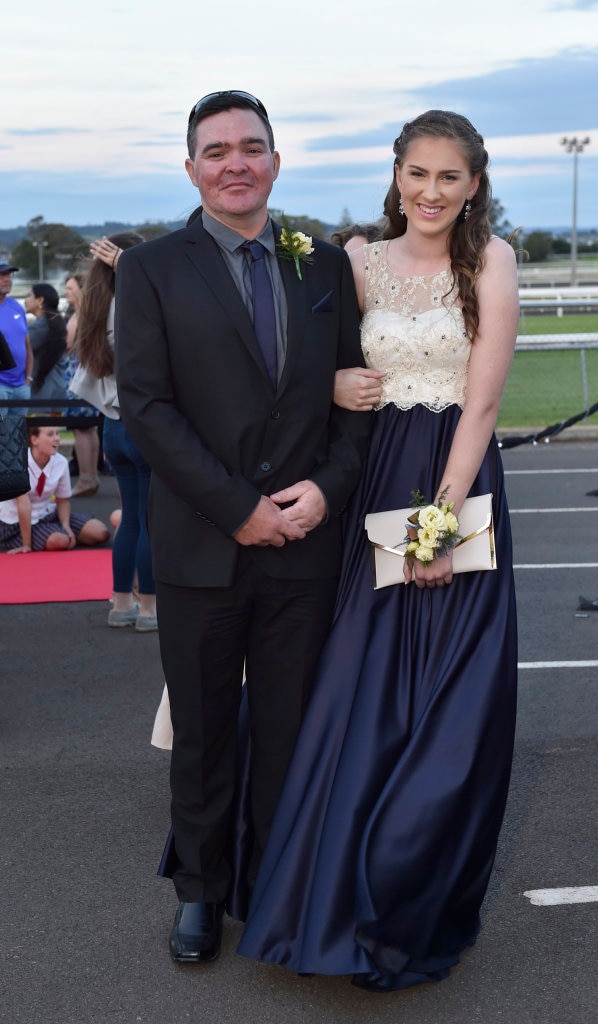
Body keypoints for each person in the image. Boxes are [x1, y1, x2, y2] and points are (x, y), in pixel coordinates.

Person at [238, 109, 519, 992]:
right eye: (416, 173)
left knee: (448, 704)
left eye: (448, 176)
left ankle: (409, 894)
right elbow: (300, 370)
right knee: (355, 686)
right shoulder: (355, 260)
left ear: (473, 183)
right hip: (366, 480)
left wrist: (440, 522)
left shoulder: (492, 261)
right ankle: (324, 897)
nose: (430, 192)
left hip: (449, 485)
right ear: (394, 175)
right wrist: (330, 380)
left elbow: (479, 407)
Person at [114, 89, 372, 965]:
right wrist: (239, 508)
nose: (235, 162)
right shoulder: (150, 268)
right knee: (202, 730)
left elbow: (353, 401)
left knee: (291, 730)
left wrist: (326, 494)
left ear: (275, 159)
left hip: (306, 545)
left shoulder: (324, 267)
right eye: (217, 150)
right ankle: (200, 890)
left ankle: (279, 883)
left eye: (251, 147)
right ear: (191, 168)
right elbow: (146, 408)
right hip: (200, 547)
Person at [71, 232, 158, 632]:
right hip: (143, 425)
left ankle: (121, 601)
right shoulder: (133, 305)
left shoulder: (95, 307)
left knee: (131, 520)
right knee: (149, 520)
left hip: (113, 427)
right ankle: (150, 608)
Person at [0, 424, 109, 552]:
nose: (57, 438)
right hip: (16, 522)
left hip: (47, 514)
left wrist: (66, 526)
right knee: (59, 541)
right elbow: (23, 505)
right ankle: (50, 535)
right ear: (34, 440)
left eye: (57, 434)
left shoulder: (61, 462)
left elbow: (63, 500)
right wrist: (26, 545)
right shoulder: (18, 463)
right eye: (50, 434)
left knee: (101, 533)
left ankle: (55, 532)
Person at [62, 272, 102, 497]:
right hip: (87, 377)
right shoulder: (90, 312)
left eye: (70, 288)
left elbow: (68, 344)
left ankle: (86, 478)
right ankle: (91, 475)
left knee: (80, 427)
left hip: (78, 377)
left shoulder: (82, 315)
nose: (66, 292)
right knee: (88, 427)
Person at [24, 283, 67, 414]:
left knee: (39, 432)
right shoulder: (55, 321)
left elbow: (19, 350)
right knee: (51, 433)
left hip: (41, 393)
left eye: (29, 296)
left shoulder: (41, 326)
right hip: (55, 390)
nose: (26, 300)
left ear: (40, 300)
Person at [0, 259, 33, 416]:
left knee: (17, 438)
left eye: (9, 275)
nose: (8, 279)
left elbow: (27, 346)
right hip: (1, 387)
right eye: (2, 275)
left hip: (21, 387)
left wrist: (28, 379)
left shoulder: (16, 307)